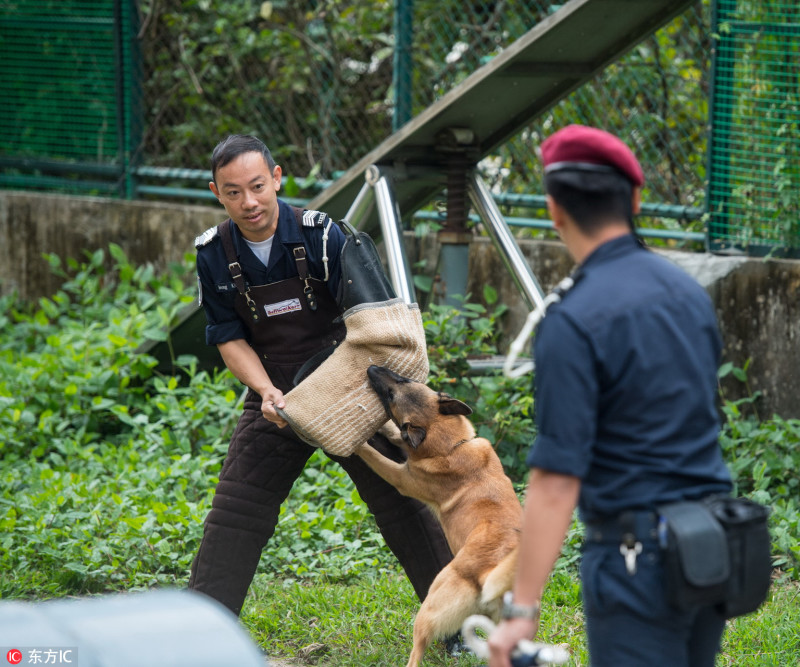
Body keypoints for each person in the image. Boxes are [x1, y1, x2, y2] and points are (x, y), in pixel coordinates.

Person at [487, 125, 734, 667]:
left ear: (554, 210)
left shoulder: (573, 320)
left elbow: (555, 480)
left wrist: (520, 612)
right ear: (637, 199)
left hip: (635, 563)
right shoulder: (689, 296)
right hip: (713, 548)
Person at [188, 134, 453, 617]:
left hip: (349, 389)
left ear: (276, 178)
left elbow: (379, 328)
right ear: (215, 192)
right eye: (233, 193)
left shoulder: (325, 236)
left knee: (401, 500)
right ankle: (203, 630)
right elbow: (228, 338)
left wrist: (346, 395)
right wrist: (267, 391)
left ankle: (455, 623)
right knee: (236, 510)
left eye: (257, 187)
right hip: (276, 395)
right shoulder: (212, 253)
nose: (248, 203)